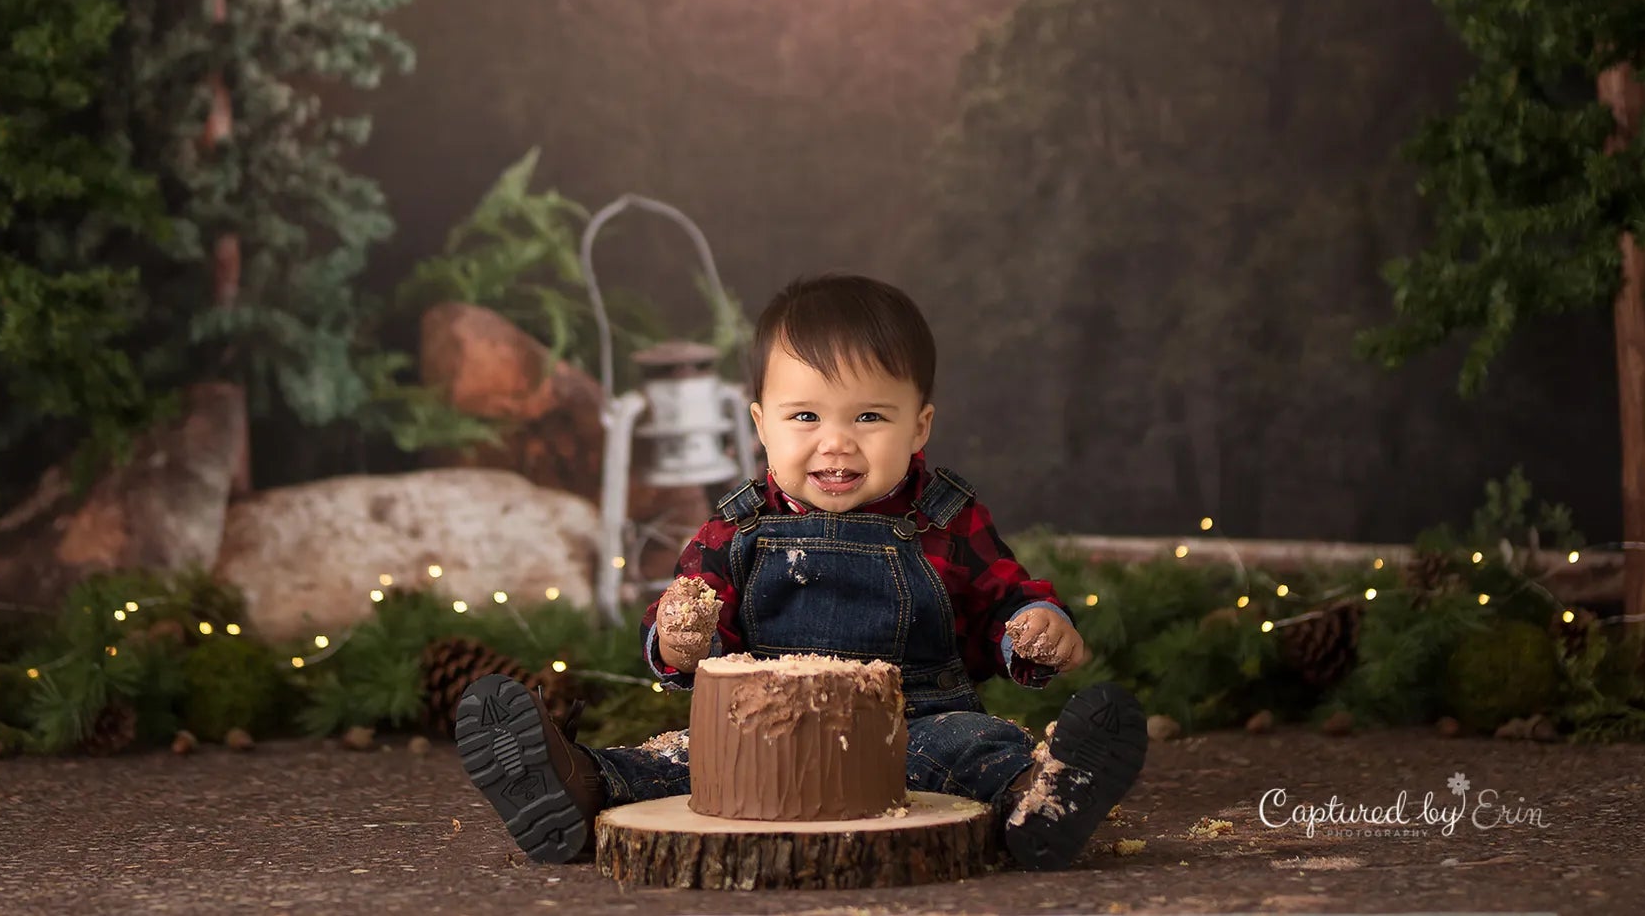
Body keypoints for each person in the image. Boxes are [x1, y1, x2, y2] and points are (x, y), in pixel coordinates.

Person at [455, 272, 1148, 871]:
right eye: (806, 415)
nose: (837, 441)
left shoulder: (945, 517)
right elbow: (685, 619)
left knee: (985, 749)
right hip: (758, 732)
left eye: (870, 415)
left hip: (913, 727)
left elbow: (1005, 597)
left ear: (920, 425)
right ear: (762, 423)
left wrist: (1035, 627)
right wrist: (678, 637)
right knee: (673, 760)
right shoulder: (739, 525)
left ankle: (1046, 798)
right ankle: (575, 784)